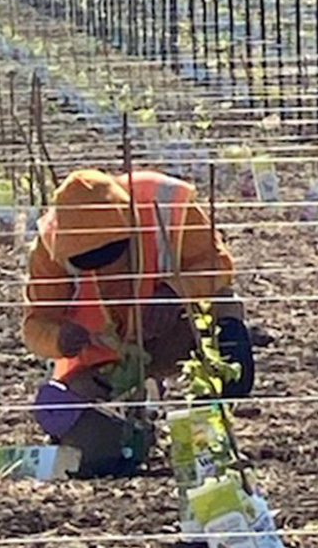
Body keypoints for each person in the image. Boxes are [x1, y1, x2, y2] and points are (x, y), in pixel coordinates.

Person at [22, 168, 253, 477]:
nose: (104, 267)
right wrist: (59, 339)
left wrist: (174, 293)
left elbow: (218, 264)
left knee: (223, 307)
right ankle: (135, 436)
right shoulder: (50, 247)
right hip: (105, 364)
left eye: (112, 253)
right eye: (88, 261)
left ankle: (210, 429)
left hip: (173, 335)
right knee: (90, 453)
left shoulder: (167, 205)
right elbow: (35, 325)